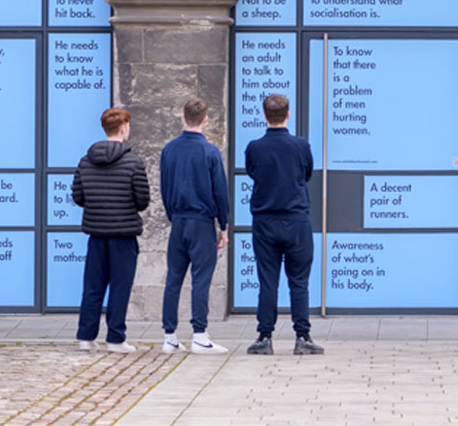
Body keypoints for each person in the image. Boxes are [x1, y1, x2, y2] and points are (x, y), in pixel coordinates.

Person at [244, 93, 323, 356]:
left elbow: (253, 173)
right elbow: (307, 174)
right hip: (296, 219)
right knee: (298, 280)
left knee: (268, 280)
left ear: (264, 115)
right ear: (288, 114)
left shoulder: (254, 147)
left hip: (265, 220)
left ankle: (264, 337)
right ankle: (302, 336)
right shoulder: (301, 146)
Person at [72, 106, 150, 352]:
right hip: (124, 235)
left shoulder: (86, 160)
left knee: (93, 286)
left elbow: (78, 196)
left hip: (96, 232)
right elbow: (142, 201)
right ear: (124, 128)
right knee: (120, 286)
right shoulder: (133, 162)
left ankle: (86, 336)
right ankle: (115, 338)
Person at [159, 98, 231, 355]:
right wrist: (223, 224)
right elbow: (220, 192)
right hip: (201, 222)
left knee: (173, 279)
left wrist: (172, 215)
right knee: (201, 278)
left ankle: (169, 335)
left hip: (178, 220)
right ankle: (199, 333)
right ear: (205, 119)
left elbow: (164, 187)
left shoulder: (169, 149)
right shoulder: (210, 152)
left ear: (182, 117)